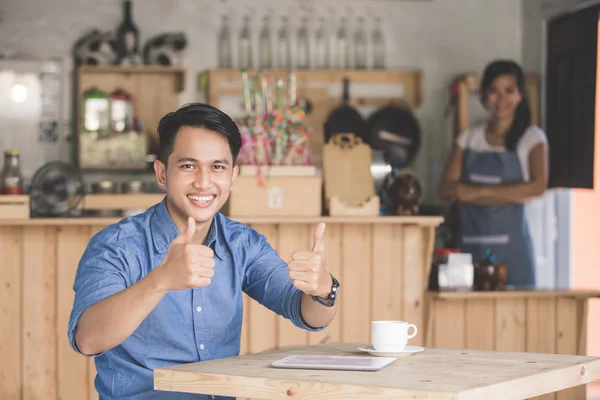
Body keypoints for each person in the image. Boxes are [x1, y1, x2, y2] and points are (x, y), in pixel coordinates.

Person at [67, 103, 340, 400]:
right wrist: (160, 280)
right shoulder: (117, 245)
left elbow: (307, 314)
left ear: (233, 177)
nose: (204, 182)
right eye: (188, 166)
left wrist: (324, 289)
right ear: (161, 173)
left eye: (217, 167)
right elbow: (88, 339)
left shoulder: (242, 243)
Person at [438, 60, 549, 287]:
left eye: (509, 90)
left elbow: (537, 187)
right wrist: (512, 193)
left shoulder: (532, 139)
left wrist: (470, 192)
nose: (501, 100)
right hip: (468, 253)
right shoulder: (468, 139)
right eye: (494, 91)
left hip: (513, 256)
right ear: (485, 96)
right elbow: (446, 189)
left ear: (520, 95)